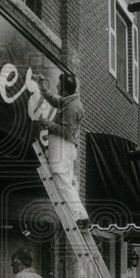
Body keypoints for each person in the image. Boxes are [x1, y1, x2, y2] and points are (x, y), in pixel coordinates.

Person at [35, 71, 91, 228]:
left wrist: (48, 124)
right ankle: (81, 215)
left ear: (65, 89)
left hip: (62, 145)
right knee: (66, 182)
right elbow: (54, 100)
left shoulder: (72, 107)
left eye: (59, 85)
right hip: (65, 147)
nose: (57, 86)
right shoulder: (69, 101)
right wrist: (42, 87)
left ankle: (77, 216)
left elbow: (66, 131)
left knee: (61, 180)